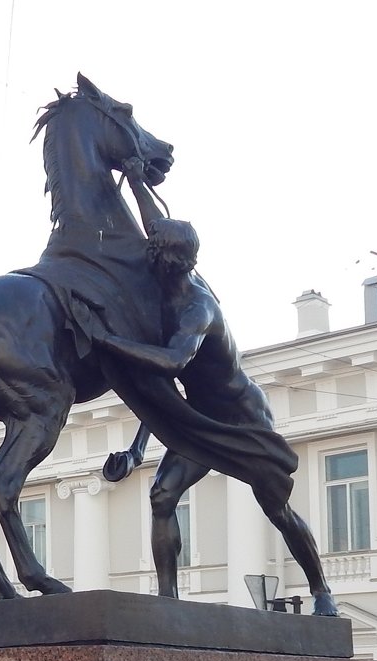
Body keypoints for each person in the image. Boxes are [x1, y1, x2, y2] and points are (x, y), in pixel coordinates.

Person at [82, 160, 337, 614]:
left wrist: (106, 340)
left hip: (243, 419)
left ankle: (321, 591)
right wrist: (136, 179)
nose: (144, 252)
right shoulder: (163, 284)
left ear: (163, 259)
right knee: (162, 496)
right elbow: (164, 395)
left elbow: (172, 361)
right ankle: (168, 601)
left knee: (276, 509)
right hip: (197, 415)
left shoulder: (197, 308)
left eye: (151, 248)